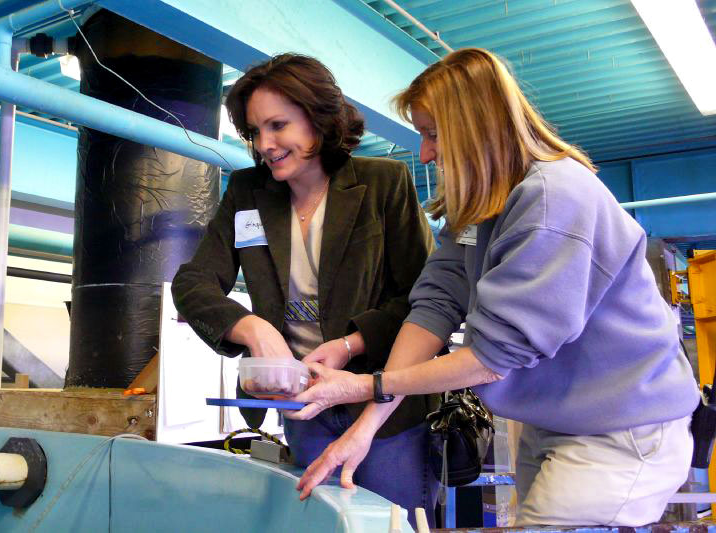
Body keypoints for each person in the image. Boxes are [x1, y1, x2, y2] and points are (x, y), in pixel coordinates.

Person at [289, 47, 700, 527]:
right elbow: (435, 306)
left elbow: (490, 359)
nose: (426, 153)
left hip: (623, 430)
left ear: (477, 127)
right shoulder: (482, 207)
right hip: (551, 422)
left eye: (433, 134)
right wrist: (368, 424)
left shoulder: (553, 200)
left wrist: (365, 385)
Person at [171, 54, 439, 527]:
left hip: (382, 413)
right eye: (255, 132)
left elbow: (423, 302)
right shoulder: (248, 193)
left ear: (319, 120)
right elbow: (192, 282)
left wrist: (349, 344)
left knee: (386, 525)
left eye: (278, 125)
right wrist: (248, 326)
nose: (265, 145)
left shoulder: (383, 184)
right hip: (303, 412)